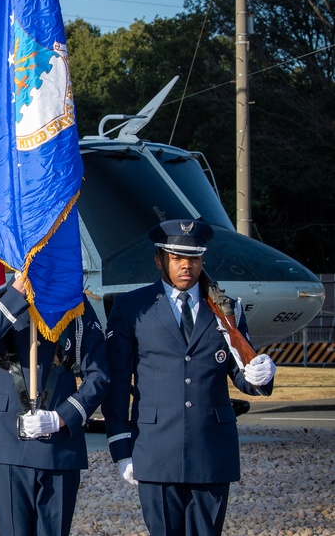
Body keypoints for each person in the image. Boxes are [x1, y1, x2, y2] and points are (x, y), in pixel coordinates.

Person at [102, 219, 277, 536]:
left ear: (202, 259)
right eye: (177, 258)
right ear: (160, 260)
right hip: (155, 450)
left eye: (194, 258)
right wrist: (121, 448)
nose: (187, 265)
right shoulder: (132, 307)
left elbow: (242, 374)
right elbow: (116, 385)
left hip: (211, 450)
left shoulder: (226, 309)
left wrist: (262, 373)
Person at [0, 273, 109, 536]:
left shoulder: (76, 306)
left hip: (58, 444)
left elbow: (99, 375)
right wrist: (18, 292)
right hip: (5, 442)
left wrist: (62, 417)